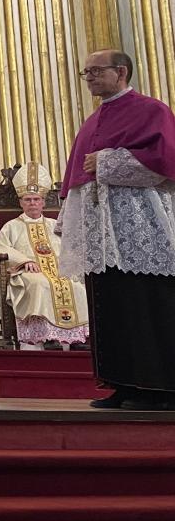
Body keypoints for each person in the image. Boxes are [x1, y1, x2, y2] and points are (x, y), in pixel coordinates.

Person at [57, 49, 175, 410]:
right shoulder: (92, 121)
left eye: (95, 71)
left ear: (120, 71)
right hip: (100, 234)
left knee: (145, 303)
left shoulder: (151, 110)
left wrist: (107, 161)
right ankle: (122, 383)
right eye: (85, 72)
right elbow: (78, 177)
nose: (89, 77)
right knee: (109, 305)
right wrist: (68, 217)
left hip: (141, 229)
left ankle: (161, 388)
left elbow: (166, 164)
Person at [0, 163, 89, 351]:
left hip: (59, 270)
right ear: (21, 202)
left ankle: (77, 339)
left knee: (77, 285)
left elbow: (72, 247)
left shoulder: (55, 225)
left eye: (36, 199)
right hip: (29, 272)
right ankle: (47, 337)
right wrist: (24, 261)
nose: (32, 203)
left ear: (43, 202)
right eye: (28, 199)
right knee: (40, 285)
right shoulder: (11, 226)